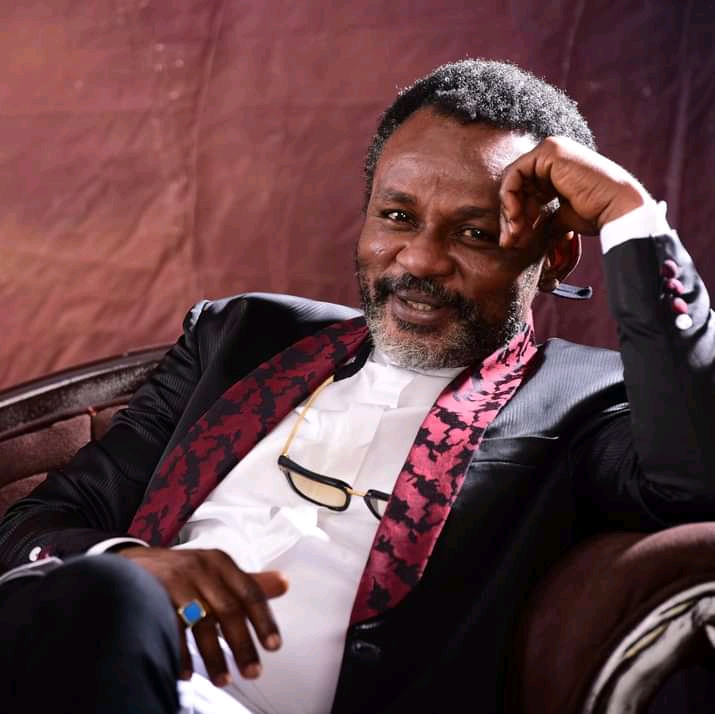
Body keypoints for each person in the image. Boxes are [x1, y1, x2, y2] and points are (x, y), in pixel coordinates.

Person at [0, 58, 713, 714]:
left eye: (474, 233)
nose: (420, 260)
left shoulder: (582, 397)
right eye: (397, 217)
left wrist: (630, 216)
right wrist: (132, 567)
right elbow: (40, 521)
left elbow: (693, 479)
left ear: (554, 256)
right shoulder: (244, 336)